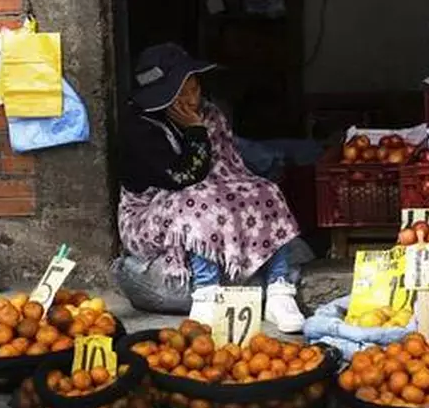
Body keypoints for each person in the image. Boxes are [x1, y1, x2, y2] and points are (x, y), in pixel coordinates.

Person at [115, 43, 309, 332]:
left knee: (264, 190)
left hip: (213, 196)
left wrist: (200, 128)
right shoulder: (139, 129)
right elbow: (184, 178)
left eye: (194, 88)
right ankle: (207, 291)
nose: (192, 99)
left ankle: (279, 289)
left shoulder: (210, 114)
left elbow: (228, 170)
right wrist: (195, 132)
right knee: (196, 200)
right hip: (149, 213)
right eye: (181, 93)